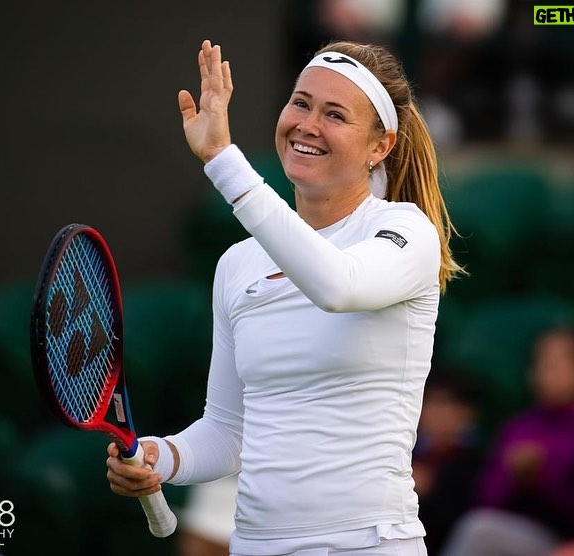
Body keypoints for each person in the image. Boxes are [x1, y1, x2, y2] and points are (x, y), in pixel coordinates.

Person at [106, 38, 462, 555]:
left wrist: (224, 163)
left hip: (366, 544)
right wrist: (159, 457)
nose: (308, 124)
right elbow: (229, 433)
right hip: (254, 543)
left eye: (335, 114)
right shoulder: (237, 264)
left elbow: (337, 285)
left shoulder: (406, 232)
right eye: (301, 102)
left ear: (379, 145)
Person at [440, 326, 574, 556]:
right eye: (541, 361)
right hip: (515, 532)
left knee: (480, 531)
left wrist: (540, 479)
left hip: (573, 540)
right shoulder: (520, 426)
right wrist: (515, 478)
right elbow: (485, 499)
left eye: (560, 361)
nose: (548, 370)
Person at [412, 371, 483, 555]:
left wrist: (431, 488)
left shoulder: (477, 461)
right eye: (431, 403)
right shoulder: (404, 455)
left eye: (446, 404)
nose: (437, 412)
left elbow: (465, 518)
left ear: (467, 412)